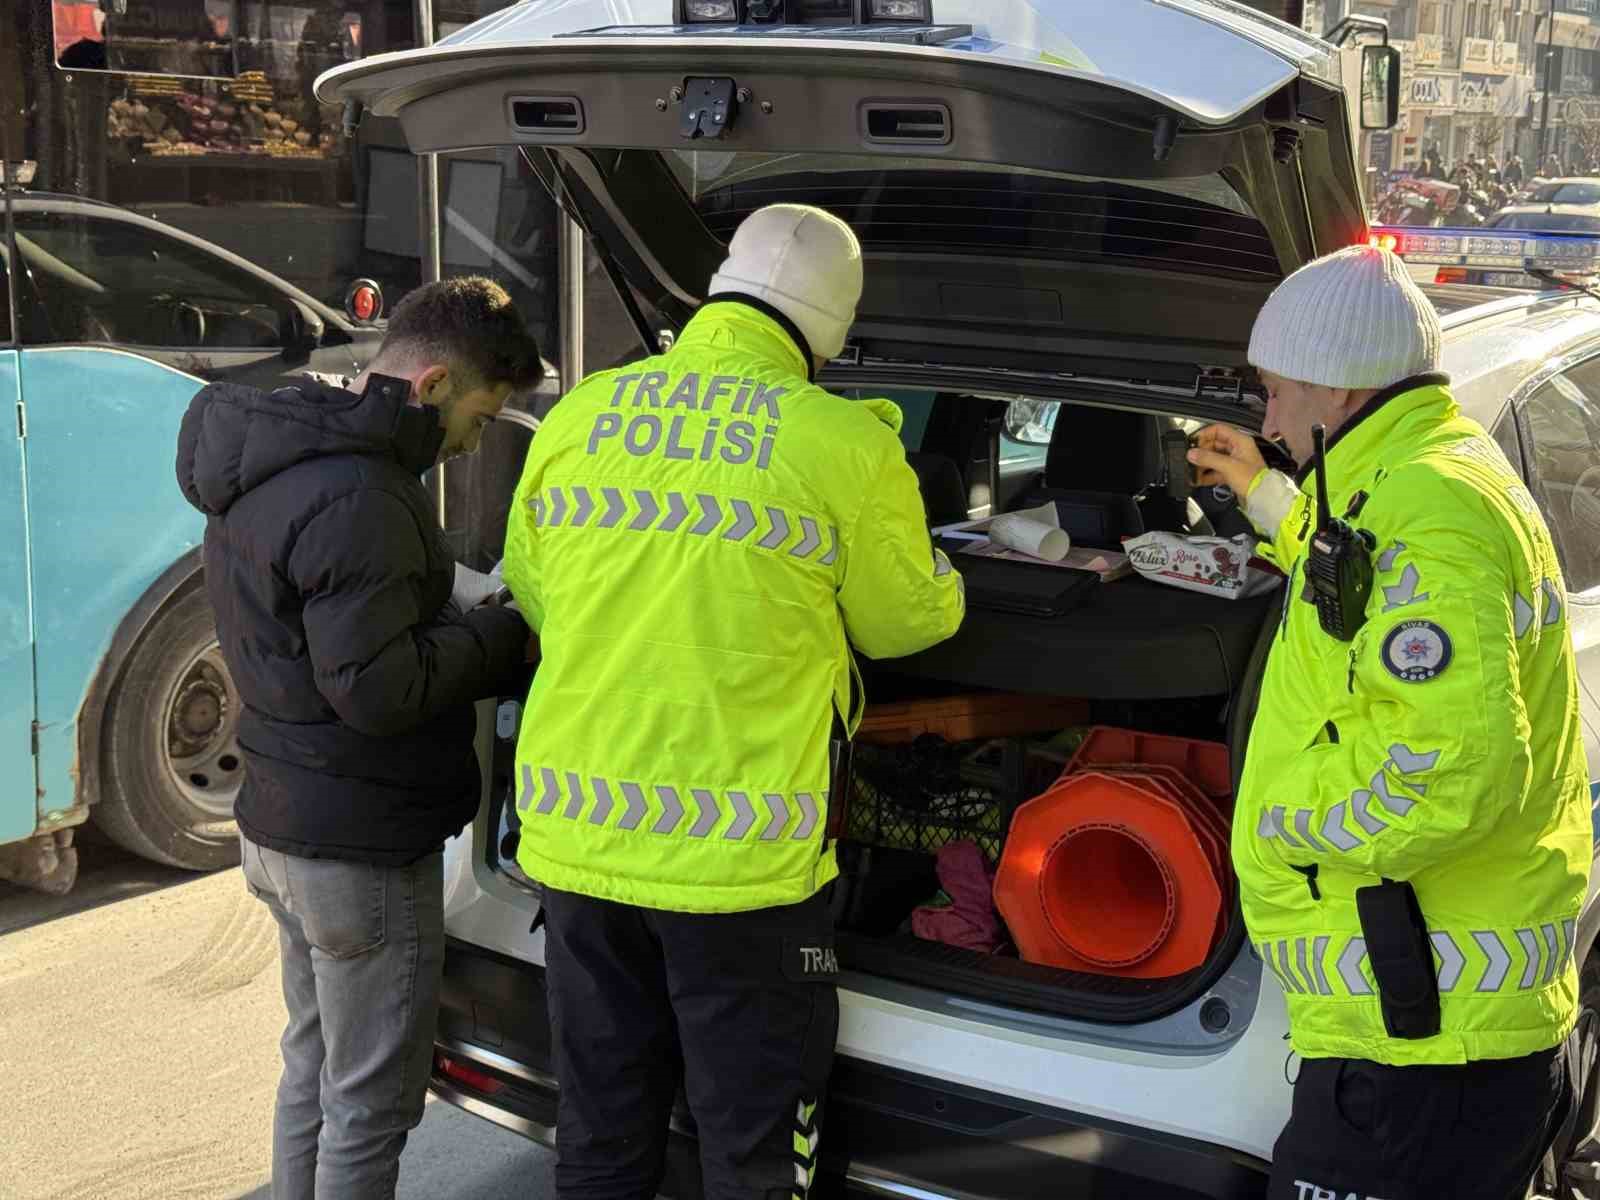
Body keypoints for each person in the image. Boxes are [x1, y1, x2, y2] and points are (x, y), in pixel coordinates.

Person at [500, 203, 965, 1200]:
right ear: (834, 324)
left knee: (600, 1134)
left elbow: (536, 589)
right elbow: (905, 623)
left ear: (720, 288)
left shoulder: (583, 413)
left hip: (576, 847)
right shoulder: (840, 442)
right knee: (751, 1154)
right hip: (741, 872)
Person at [1188, 246, 1590, 1199]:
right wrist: (1267, 497)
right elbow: (1356, 577)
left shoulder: (1432, 509)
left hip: (1428, 1039)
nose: (1267, 415)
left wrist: (1279, 826)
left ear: (1337, 388)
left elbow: (1451, 768)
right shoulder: (1407, 475)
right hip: (1420, 1018)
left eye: (1275, 390)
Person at [175, 277, 544, 1199]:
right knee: (372, 1106)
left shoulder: (281, 449)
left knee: (314, 1072)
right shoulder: (365, 496)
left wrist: (444, 591)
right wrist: (504, 636)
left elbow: (327, 619)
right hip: (359, 850)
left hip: (280, 823)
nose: (472, 441)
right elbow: (378, 690)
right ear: (432, 387)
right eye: (479, 416)